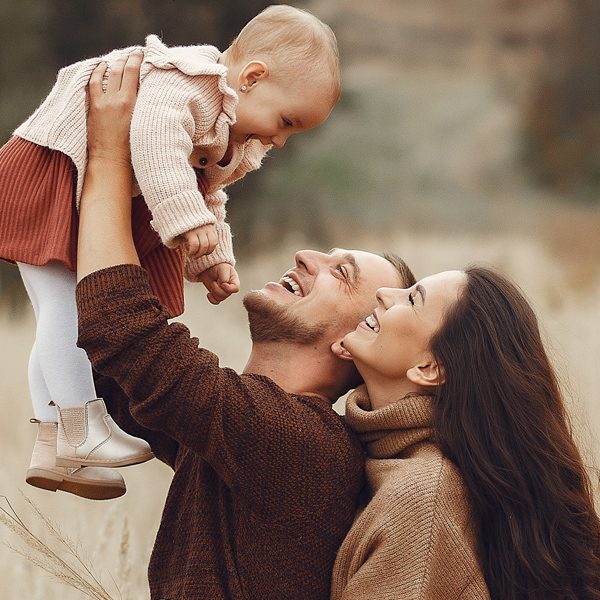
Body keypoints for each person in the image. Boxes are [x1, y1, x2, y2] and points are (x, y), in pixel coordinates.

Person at [74, 54, 416, 599]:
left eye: (340, 273)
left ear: (355, 341)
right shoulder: (240, 433)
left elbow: (126, 332)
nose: (307, 256)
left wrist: (109, 155)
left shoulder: (303, 444)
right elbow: (114, 369)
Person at [0, 5, 341, 497]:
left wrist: (211, 256)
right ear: (251, 78)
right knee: (64, 308)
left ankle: (53, 443)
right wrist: (187, 223)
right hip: (55, 167)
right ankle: (83, 425)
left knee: (63, 308)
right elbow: (155, 145)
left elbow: (208, 194)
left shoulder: (235, 132)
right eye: (285, 120)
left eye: (292, 132)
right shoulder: (187, 83)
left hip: (88, 185)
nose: (281, 140)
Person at [330, 269, 600, 599]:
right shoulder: (382, 456)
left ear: (430, 369)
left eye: (413, 298)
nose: (385, 293)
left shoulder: (421, 500)